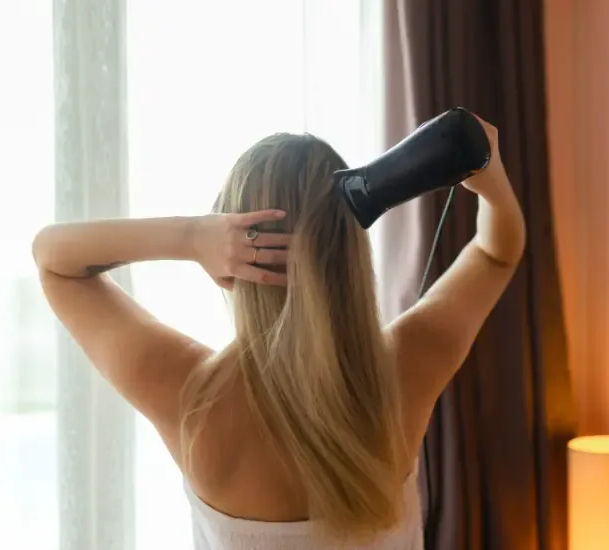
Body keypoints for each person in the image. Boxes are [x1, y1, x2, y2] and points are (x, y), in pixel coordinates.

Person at [32, 116, 525, 549]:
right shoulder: (407, 369)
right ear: (350, 252)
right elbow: (495, 252)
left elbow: (54, 260)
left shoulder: (191, 400)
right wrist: (490, 174)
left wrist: (190, 237)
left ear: (230, 258)